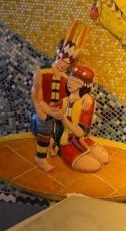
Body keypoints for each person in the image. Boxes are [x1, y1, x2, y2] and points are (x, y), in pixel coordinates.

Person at [30, 22, 88, 172]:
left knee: (66, 124)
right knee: (46, 122)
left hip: (59, 112)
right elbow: (37, 98)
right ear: (58, 53)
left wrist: (86, 96)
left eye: (67, 63)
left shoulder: (67, 78)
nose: (63, 64)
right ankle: (40, 157)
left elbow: (76, 91)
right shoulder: (42, 72)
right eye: (62, 59)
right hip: (43, 111)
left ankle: (56, 145)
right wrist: (49, 111)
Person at [56, 65, 109, 173]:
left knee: (104, 158)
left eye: (75, 81)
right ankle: (63, 151)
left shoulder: (86, 102)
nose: (70, 83)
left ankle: (82, 148)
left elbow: (81, 132)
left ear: (83, 85)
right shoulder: (64, 101)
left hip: (80, 137)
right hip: (65, 140)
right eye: (70, 79)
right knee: (94, 165)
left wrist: (64, 119)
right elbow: (50, 111)